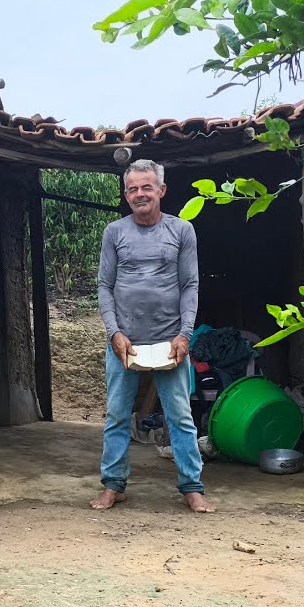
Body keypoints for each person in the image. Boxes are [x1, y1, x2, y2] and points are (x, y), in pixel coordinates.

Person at [91, 159, 214, 513]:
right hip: (124, 342)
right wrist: (114, 332)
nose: (139, 194)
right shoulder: (115, 232)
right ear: (125, 194)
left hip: (169, 342)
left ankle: (192, 487)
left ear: (161, 190)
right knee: (116, 415)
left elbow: (190, 285)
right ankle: (113, 485)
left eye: (147, 187)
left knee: (180, 416)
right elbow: (104, 285)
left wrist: (184, 335)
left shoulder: (181, 231)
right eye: (132, 189)